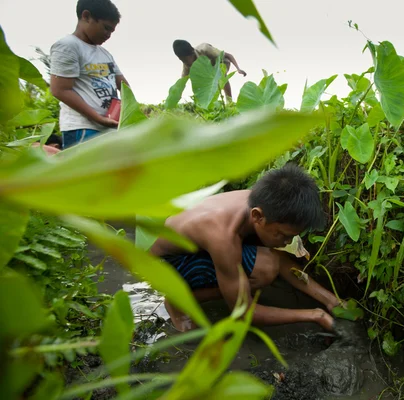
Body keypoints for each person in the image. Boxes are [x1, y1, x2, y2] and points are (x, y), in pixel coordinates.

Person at [150, 164, 341, 332]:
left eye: (291, 237)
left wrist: (331, 301)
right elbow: (244, 313)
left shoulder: (262, 203)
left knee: (271, 259)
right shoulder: (222, 236)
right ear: (258, 216)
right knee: (265, 269)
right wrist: (315, 315)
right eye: (283, 235)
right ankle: (178, 300)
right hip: (167, 267)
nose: (288, 242)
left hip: (193, 248)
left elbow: (280, 259)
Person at [49, 0, 129, 149]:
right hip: (83, 128)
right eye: (106, 28)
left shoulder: (105, 54)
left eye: (112, 31)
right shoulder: (68, 46)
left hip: (108, 127)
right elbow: (60, 90)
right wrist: (98, 118)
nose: (108, 35)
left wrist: (128, 110)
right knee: (87, 172)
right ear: (86, 16)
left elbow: (124, 86)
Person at [172, 40, 246, 99]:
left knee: (220, 73)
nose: (185, 62)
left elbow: (229, 55)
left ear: (192, 53)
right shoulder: (187, 65)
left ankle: (229, 100)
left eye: (185, 59)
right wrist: (178, 95)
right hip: (207, 72)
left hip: (221, 63)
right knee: (199, 84)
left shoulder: (205, 49)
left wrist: (238, 69)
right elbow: (182, 82)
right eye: (181, 60)